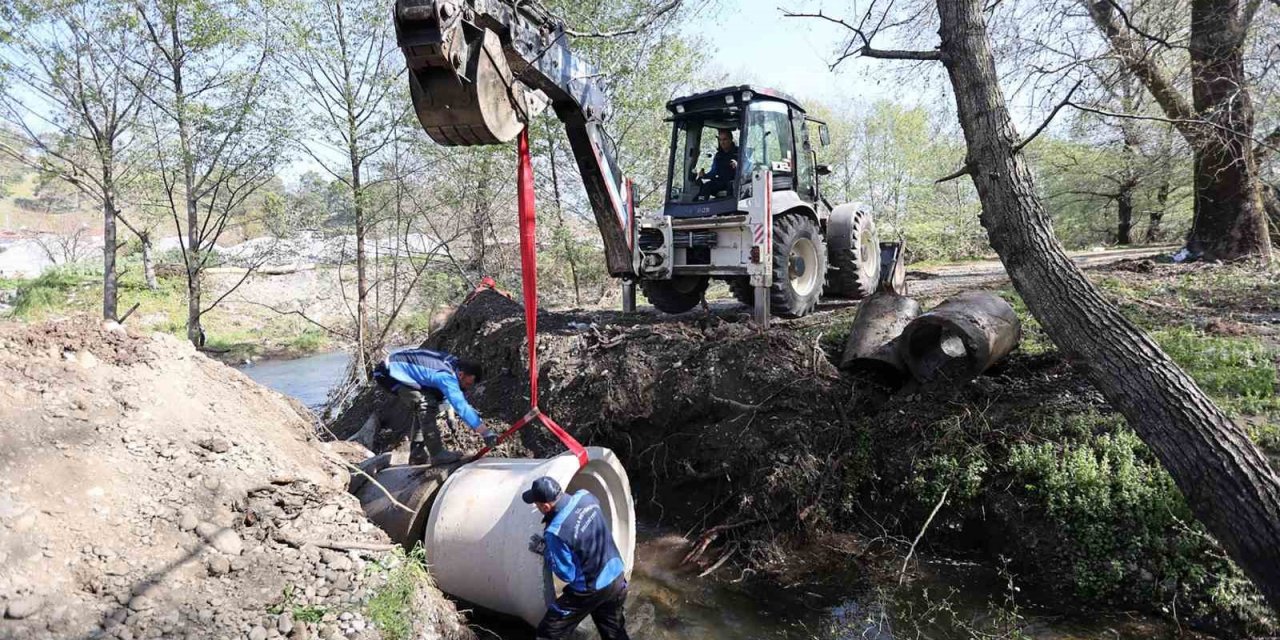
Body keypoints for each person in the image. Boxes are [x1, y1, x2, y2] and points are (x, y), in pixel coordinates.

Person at [522, 477, 629, 640]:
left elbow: (567, 575)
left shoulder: (555, 531)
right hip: (617, 577)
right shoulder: (586, 496)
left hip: (591, 588)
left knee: (549, 632)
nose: (537, 508)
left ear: (545, 506)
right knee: (614, 634)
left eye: (536, 505)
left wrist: (546, 551)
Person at [372, 348, 496, 465]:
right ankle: (437, 454)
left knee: (430, 403)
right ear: (461, 375)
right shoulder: (446, 375)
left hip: (398, 370)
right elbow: (460, 405)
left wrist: (451, 416)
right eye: (467, 384)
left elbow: (449, 395)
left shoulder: (455, 366)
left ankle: (417, 455)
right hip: (388, 374)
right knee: (425, 404)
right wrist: (485, 432)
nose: (467, 388)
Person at [697, 128, 739, 198]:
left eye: (725, 139)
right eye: (720, 140)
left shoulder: (739, 152)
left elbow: (748, 168)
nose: (722, 142)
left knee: (731, 185)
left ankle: (729, 208)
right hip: (722, 182)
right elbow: (713, 172)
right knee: (707, 185)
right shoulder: (718, 155)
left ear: (731, 140)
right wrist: (704, 175)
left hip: (735, 182)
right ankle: (700, 204)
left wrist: (738, 165)